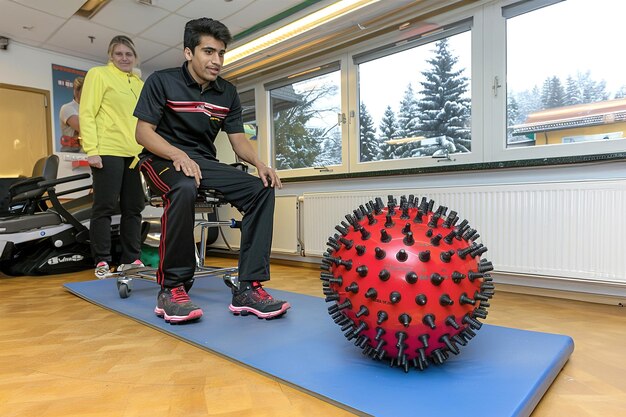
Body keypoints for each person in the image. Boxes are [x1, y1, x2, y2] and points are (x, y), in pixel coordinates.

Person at [134, 18, 290, 323]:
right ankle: (172, 289)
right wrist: (177, 153)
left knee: (260, 188)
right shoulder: (162, 81)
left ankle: (248, 287)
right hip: (161, 159)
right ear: (188, 52)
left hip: (203, 163)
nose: (216, 60)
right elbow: (143, 132)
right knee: (183, 186)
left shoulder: (227, 92)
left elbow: (238, 140)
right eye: (209, 51)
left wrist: (260, 164)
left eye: (221, 53)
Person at [80, 35, 146, 278]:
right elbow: (87, 113)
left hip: (135, 154)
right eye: (119, 54)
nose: (124, 58)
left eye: (128, 54)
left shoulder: (139, 84)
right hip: (107, 150)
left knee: (134, 209)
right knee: (104, 208)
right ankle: (102, 261)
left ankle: (131, 259)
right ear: (111, 56)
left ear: (135, 57)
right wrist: (92, 150)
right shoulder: (98, 74)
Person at [59, 76, 84, 152]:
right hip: (72, 150)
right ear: (76, 91)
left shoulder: (92, 108)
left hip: (87, 151)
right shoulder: (67, 108)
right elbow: (82, 127)